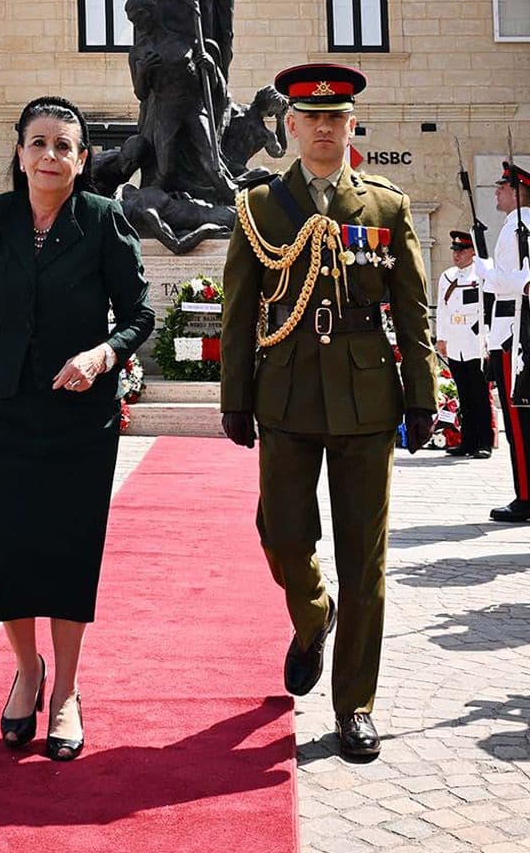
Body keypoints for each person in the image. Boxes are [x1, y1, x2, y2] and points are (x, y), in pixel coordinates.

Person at [220, 64, 435, 764]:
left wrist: (424, 394)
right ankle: (313, 615)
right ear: (289, 126)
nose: (323, 128)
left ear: (350, 127)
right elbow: (238, 308)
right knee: (281, 535)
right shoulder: (260, 209)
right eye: (310, 118)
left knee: (364, 561)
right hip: (285, 393)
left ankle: (355, 707)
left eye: (336, 118)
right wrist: (235, 395)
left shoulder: (385, 206)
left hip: (367, 399)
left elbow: (412, 310)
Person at [0, 96, 155, 762]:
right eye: (39, 143)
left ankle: (65, 690)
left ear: (83, 158)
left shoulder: (102, 218)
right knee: (6, 548)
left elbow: (139, 314)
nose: (51, 156)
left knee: (67, 549)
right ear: (20, 152)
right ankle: (26, 670)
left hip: (78, 418)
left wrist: (101, 355)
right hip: (1, 410)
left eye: (65, 146)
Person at [486, 164, 530, 522]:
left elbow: (521, 280)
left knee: (519, 422)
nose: (497, 191)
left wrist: (486, 273)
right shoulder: (514, 226)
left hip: (514, 331)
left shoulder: (520, 226)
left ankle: (526, 496)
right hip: (510, 328)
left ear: (518, 190)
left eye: (502, 186)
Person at [436, 230, 492, 460]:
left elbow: (489, 308)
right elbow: (442, 309)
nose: (456, 255)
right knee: (464, 395)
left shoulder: (482, 274)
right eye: (454, 251)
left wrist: (488, 340)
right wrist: (441, 338)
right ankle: (466, 441)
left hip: (475, 342)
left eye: (461, 251)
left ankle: (484, 442)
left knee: (479, 395)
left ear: (472, 252)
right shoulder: (447, 277)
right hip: (456, 341)